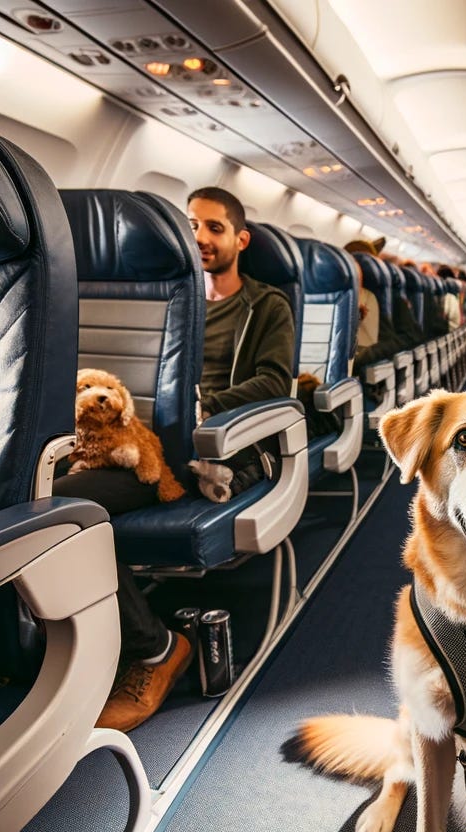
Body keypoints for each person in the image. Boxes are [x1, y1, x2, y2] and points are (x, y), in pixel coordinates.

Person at [53, 185, 296, 730]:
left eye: (215, 227)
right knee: (27, 496)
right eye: (191, 226)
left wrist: (204, 408)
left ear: (241, 239)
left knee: (60, 513)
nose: (200, 237)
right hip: (112, 436)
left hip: (193, 450)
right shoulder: (171, 296)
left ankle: (156, 648)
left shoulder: (265, 306)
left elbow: (275, 382)